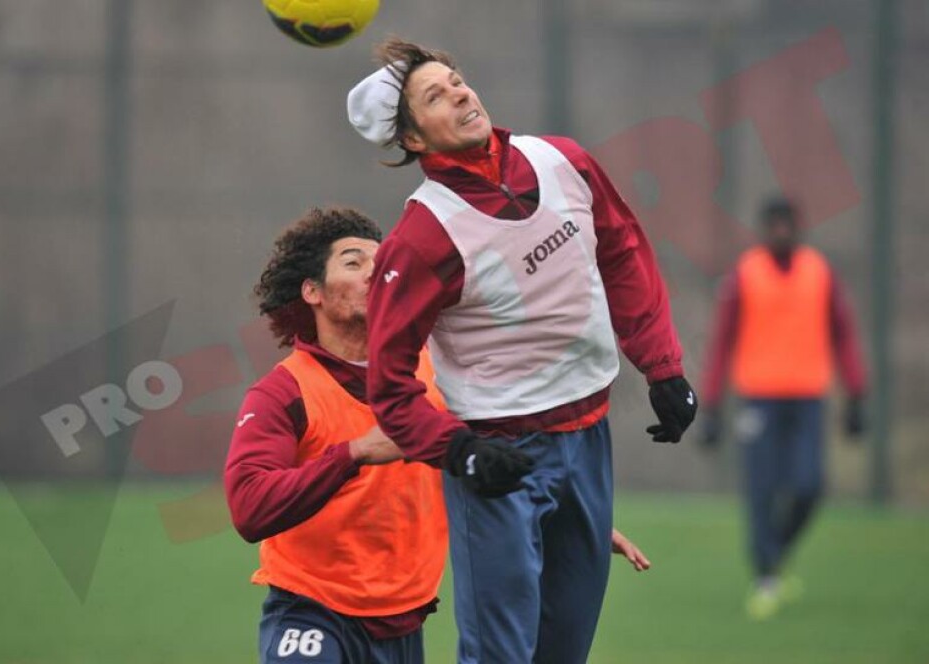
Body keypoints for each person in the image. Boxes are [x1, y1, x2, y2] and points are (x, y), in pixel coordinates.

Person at [346, 39, 695, 664]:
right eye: (434, 95)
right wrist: (460, 452)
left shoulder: (564, 160)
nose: (458, 92)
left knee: (564, 652)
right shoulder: (423, 236)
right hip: (498, 458)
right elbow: (390, 384)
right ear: (415, 141)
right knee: (500, 656)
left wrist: (663, 368)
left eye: (455, 80)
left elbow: (623, 253)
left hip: (589, 443)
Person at [224, 207, 653, 664]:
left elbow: (485, 463)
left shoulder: (436, 371)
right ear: (312, 291)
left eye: (380, 261)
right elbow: (249, 507)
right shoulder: (285, 390)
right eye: (353, 262)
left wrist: (557, 512)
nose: (375, 273)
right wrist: (353, 454)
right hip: (311, 616)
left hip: (405, 624)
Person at [699, 196, 867, 620]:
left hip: (809, 398)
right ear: (763, 230)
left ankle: (776, 551)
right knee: (762, 489)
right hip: (759, 398)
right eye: (773, 225)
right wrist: (712, 405)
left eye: (787, 225)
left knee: (810, 486)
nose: (781, 233)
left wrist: (856, 393)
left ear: (798, 228)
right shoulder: (745, 274)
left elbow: (843, 333)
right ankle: (766, 577)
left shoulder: (820, 272)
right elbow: (722, 341)